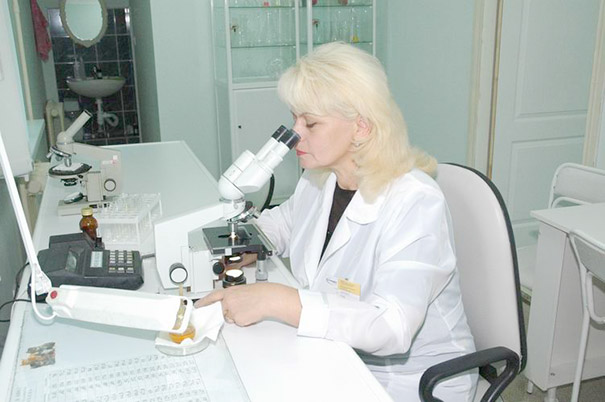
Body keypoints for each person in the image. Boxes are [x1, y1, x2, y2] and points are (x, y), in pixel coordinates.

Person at [196, 42, 477, 401]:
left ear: (361, 127)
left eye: (310, 123)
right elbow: (283, 225)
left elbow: (392, 327)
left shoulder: (416, 202)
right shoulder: (321, 177)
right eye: (294, 118)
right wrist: (247, 244)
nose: (295, 133)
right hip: (336, 354)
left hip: (410, 381)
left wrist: (279, 301)